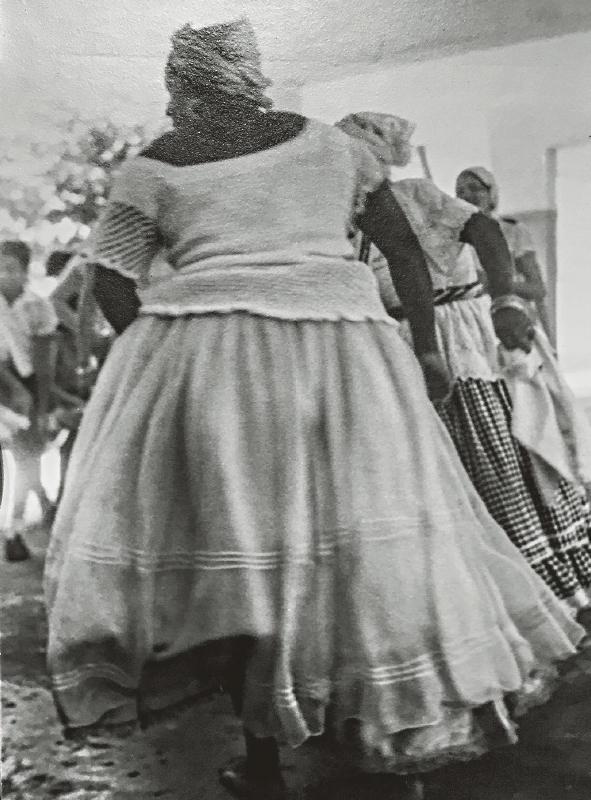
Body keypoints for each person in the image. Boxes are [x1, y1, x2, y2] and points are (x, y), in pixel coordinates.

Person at [44, 21, 584, 800]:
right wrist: (426, 349)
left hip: (212, 371)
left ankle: (262, 763)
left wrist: (166, 358)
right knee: (375, 543)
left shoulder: (153, 166)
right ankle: (398, 741)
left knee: (243, 563)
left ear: (185, 88)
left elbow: (113, 281)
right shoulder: (332, 149)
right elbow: (400, 248)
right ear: (252, 79)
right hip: (344, 359)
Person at [339, 115, 591, 614]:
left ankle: (546, 593)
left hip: (457, 332)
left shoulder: (414, 196)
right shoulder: (337, 218)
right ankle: (477, 597)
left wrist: (505, 301)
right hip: (393, 340)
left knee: (499, 454)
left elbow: (486, 233)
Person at [455, 167, 591, 608]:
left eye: (475, 187)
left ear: (492, 193)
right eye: (460, 190)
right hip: (476, 333)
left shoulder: (511, 233)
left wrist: (496, 280)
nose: (467, 194)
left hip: (514, 328)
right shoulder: (456, 237)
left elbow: (538, 287)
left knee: (544, 418)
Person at [0, 240, 58, 561]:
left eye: (11, 269)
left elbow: (44, 362)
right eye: (0, 268)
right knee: (26, 459)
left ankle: (16, 531)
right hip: (4, 382)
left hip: (27, 383)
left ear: (25, 272)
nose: (3, 275)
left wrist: (42, 402)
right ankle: (41, 511)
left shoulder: (38, 307)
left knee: (27, 459)